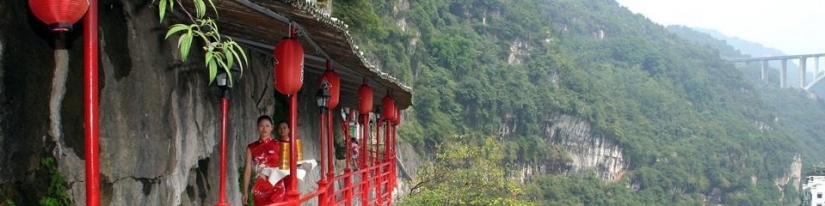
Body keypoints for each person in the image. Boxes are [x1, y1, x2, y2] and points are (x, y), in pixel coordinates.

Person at [242, 116, 288, 205]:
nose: (264, 129)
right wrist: (245, 191)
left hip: (277, 187)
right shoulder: (251, 147)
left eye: (267, 126)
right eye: (261, 126)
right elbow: (247, 171)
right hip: (260, 189)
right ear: (257, 128)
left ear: (272, 127)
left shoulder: (279, 145)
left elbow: (286, 166)